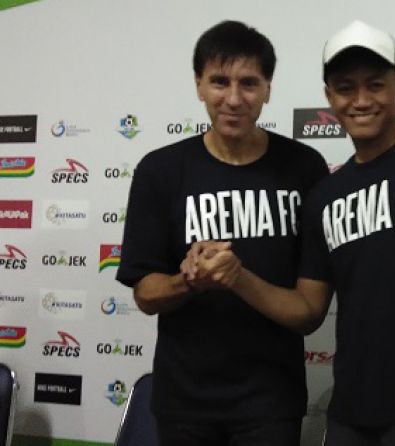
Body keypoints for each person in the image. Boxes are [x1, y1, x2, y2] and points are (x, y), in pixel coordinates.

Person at [191, 20, 395, 446]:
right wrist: (237, 277)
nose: (361, 100)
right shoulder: (325, 195)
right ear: (329, 98)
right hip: (353, 417)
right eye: (346, 88)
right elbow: (308, 308)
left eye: (375, 85)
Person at [115, 20, 329, 446]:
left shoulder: (305, 168)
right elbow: (145, 296)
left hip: (270, 402)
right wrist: (189, 280)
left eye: (249, 83)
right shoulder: (160, 171)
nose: (233, 99)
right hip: (184, 403)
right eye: (219, 81)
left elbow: (309, 313)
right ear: (198, 85)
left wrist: (237, 277)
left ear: (268, 89)